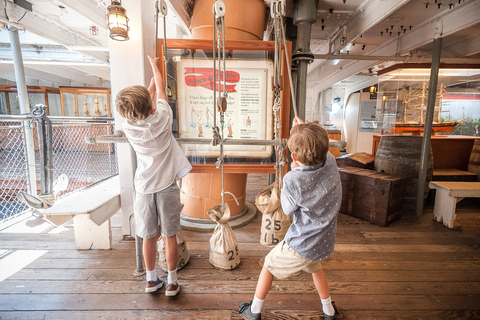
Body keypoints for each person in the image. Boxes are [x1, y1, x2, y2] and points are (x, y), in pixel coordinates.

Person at [239, 117, 341, 320]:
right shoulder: (330, 161)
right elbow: (316, 147)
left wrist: (292, 172)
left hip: (301, 243)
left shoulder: (293, 179)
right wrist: (302, 130)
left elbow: (286, 208)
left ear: (293, 156)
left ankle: (254, 310)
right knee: (315, 267)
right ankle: (329, 310)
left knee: (268, 265)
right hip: (323, 240)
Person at [115, 55, 192, 296]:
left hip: (144, 189)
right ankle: (171, 281)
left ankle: (150, 279)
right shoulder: (163, 118)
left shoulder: (129, 127)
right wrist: (155, 66)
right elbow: (161, 91)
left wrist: (150, 83)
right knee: (169, 235)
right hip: (167, 187)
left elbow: (145, 101)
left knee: (148, 236)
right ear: (150, 107)